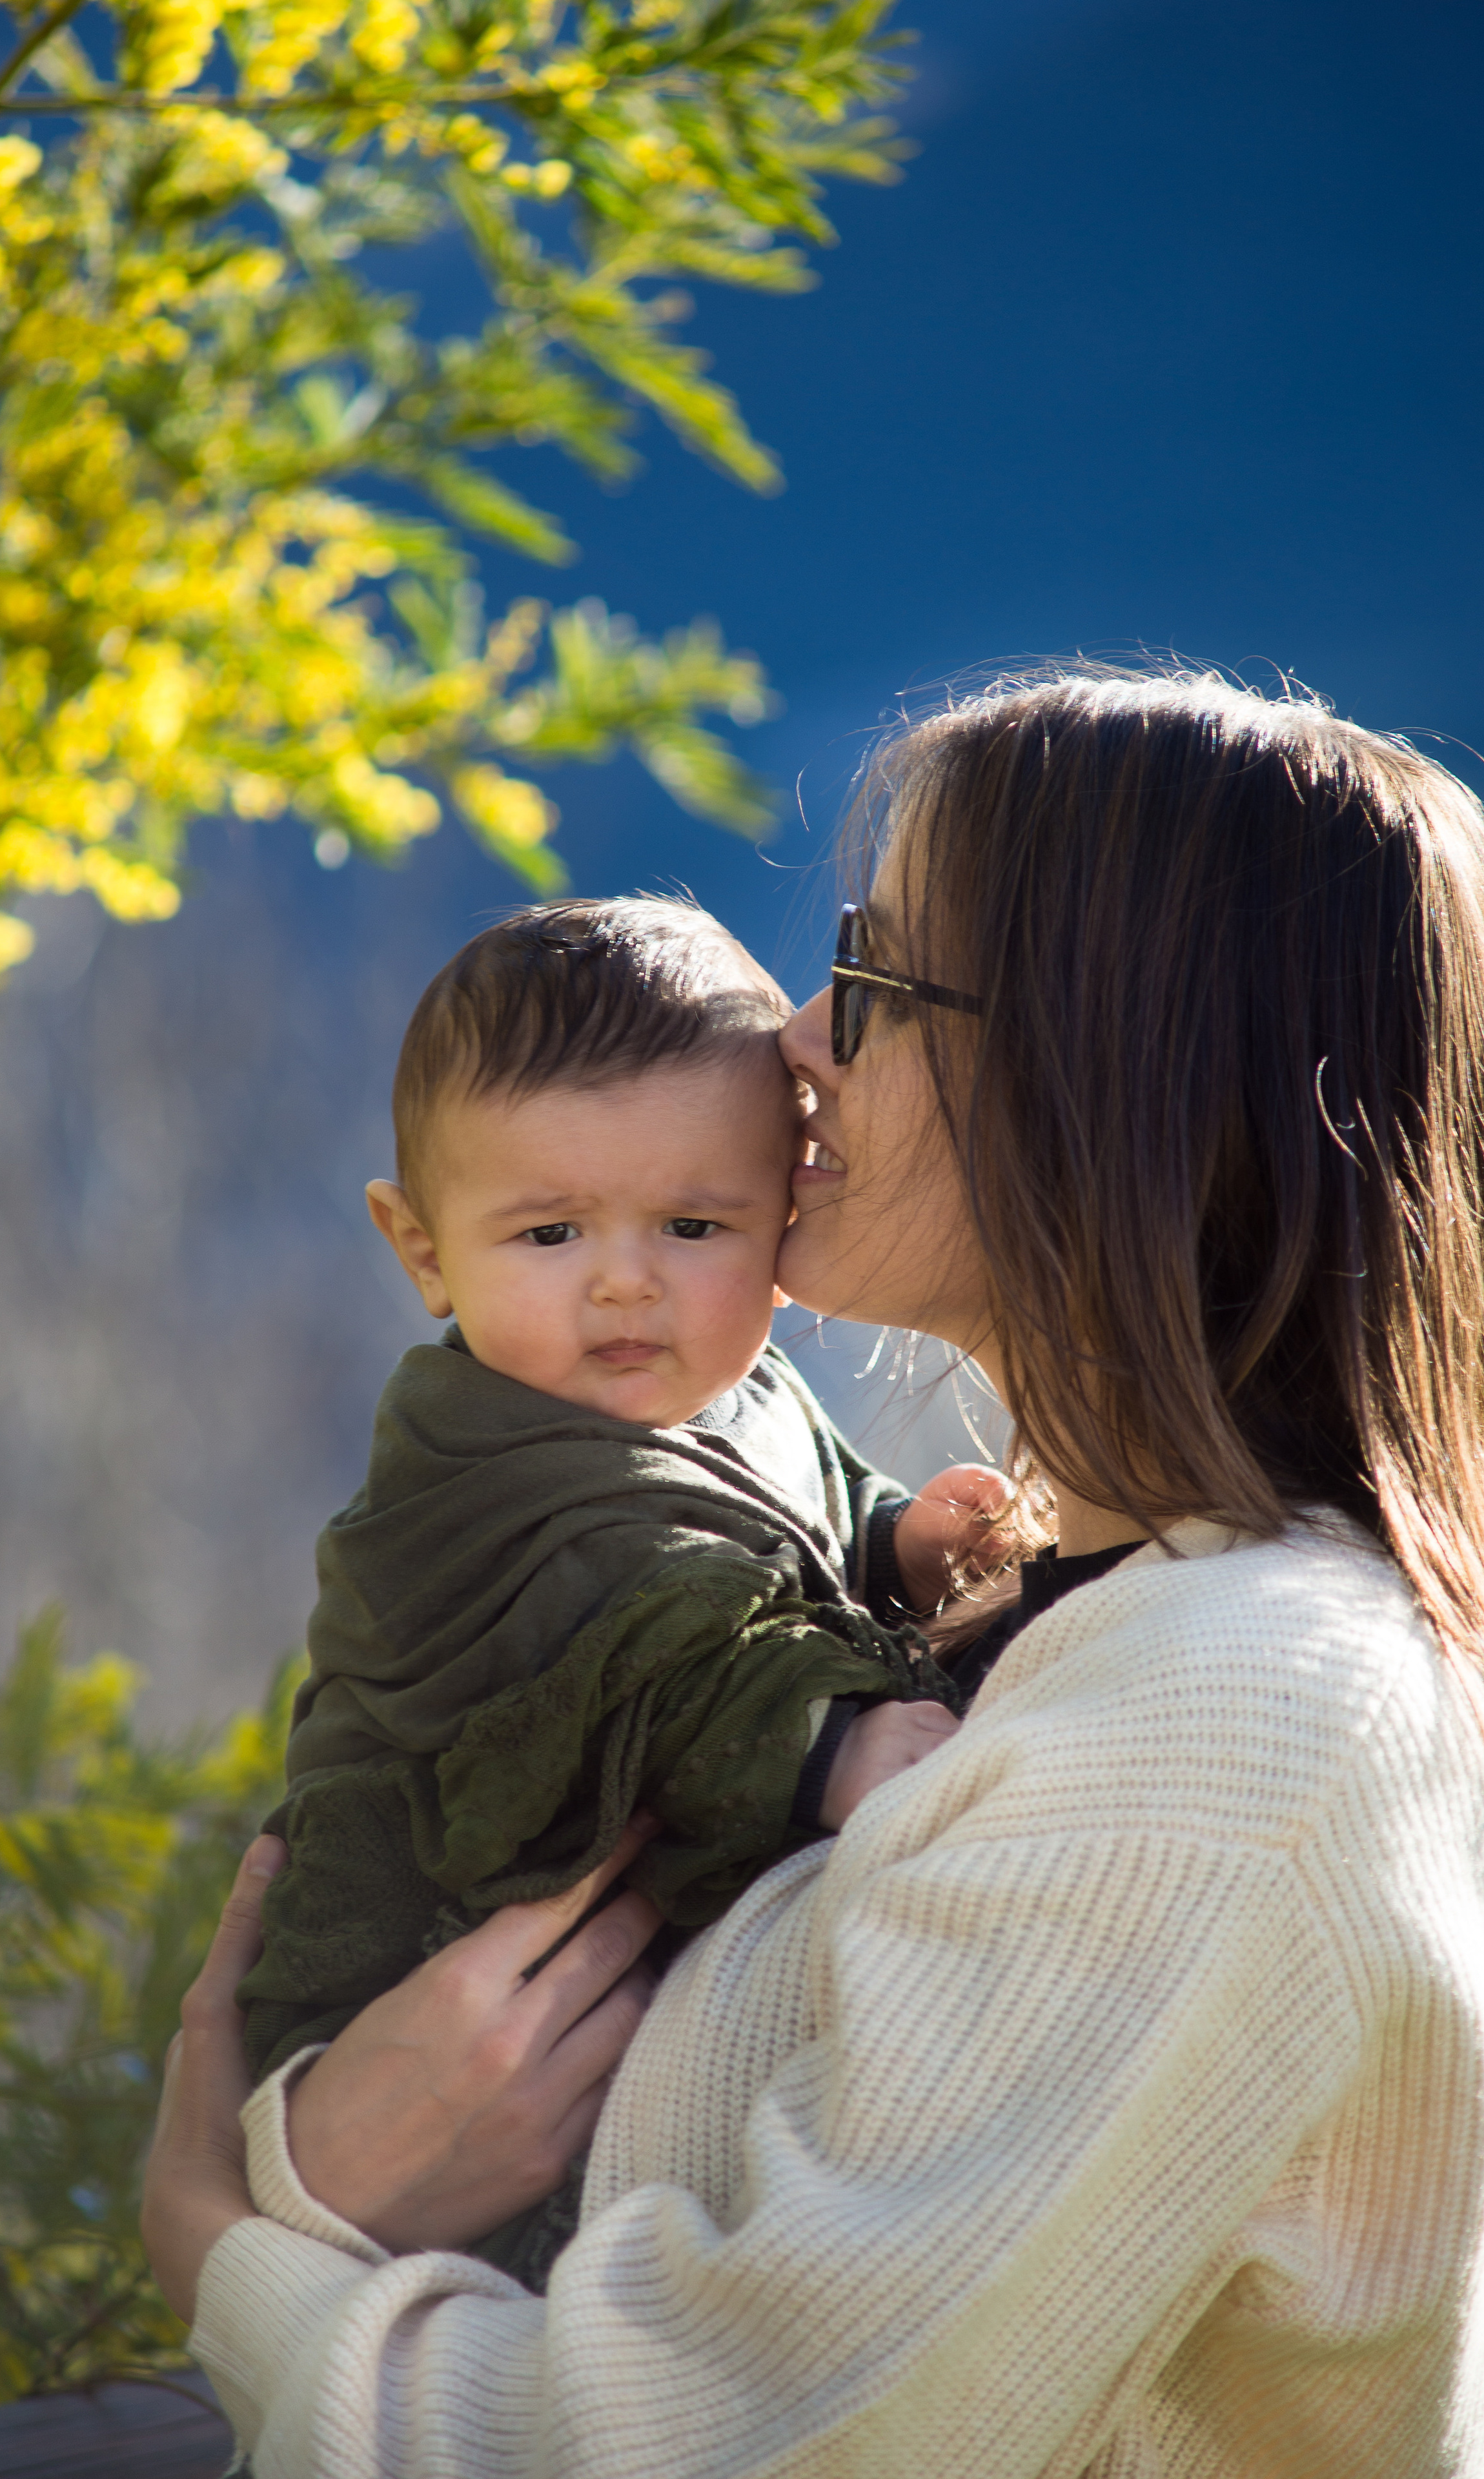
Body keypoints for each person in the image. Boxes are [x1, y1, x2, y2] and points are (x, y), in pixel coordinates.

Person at [145, 667, 1484, 2478]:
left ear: (1105, 1078)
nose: (796, 1042)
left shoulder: (1245, 1725)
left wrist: (241, 2248)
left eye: (879, 984)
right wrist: (345, 2170)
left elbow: (727, 2447)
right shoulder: (1086, 1608)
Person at [237, 895, 995, 2284]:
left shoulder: (735, 1389)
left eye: (695, 1225)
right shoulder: (469, 1475)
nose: (625, 1287)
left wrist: (895, 1547)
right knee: (528, 2269)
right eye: (549, 1237)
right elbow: (655, 1630)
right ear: (421, 1252)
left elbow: (798, 1514)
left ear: (783, 1206)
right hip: (417, 1973)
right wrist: (824, 1737)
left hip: (591, 2000)